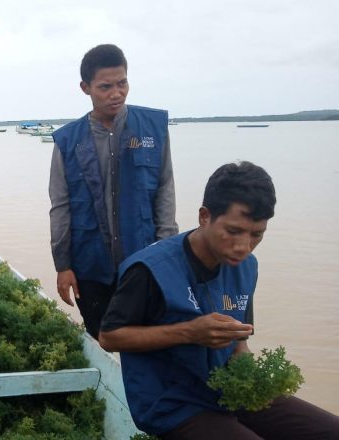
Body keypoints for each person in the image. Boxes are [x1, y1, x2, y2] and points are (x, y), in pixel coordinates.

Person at [99, 161, 339, 439]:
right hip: (173, 402)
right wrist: (189, 332)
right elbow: (110, 337)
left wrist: (256, 380)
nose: (244, 246)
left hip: (228, 388)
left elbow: (239, 345)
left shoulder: (247, 266)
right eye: (234, 231)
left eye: (256, 234)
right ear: (205, 216)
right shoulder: (149, 269)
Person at [49, 43, 178, 339]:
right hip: (90, 265)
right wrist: (63, 265)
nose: (116, 93)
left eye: (122, 83)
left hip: (144, 261)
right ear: (86, 88)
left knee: (149, 342)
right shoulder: (67, 141)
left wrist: (167, 253)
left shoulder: (152, 128)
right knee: (101, 338)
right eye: (105, 86)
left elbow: (165, 190)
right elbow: (60, 206)